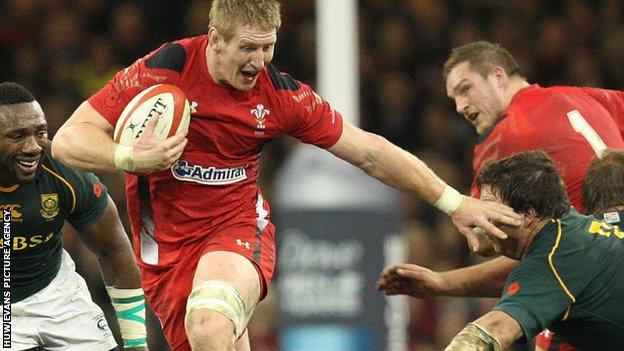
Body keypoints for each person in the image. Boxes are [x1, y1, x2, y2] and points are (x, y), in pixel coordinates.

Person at [50, 2, 521, 350]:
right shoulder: (164, 69)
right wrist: (130, 157)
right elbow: (68, 140)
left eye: (267, 46)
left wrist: (456, 203)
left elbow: (370, 152)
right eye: (247, 48)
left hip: (234, 230)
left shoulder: (279, 95)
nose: (258, 61)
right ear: (215, 40)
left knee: (210, 319)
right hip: (165, 253)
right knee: (213, 337)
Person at [378, 40, 624, 350]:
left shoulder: (503, 139)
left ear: (498, 77)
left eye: (465, 89)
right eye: (453, 98)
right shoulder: (582, 96)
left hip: (581, 284)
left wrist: (444, 280)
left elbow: (483, 237)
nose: (459, 107)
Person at [0, 81, 147, 350]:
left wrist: (136, 342)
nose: (33, 147)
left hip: (56, 296)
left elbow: (114, 250)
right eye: (17, 135)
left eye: (40, 132)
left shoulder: (62, 172)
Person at [445, 151, 622, 350]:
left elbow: (493, 330)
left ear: (527, 214)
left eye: (490, 209)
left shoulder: (550, 261)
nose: (481, 219)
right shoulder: (587, 227)